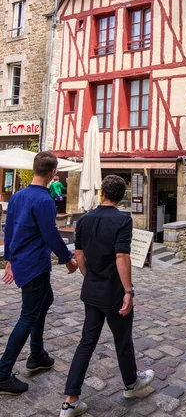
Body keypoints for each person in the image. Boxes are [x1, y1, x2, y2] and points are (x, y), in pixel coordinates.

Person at [60, 175, 154, 417]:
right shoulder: (123, 220)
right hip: (113, 291)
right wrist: (128, 290)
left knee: (86, 342)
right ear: (121, 195)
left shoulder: (84, 219)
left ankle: (70, 400)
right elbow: (121, 256)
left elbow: (79, 254)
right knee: (122, 339)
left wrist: (90, 277)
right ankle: (131, 384)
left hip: (92, 290)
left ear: (102, 193)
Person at [0, 151, 77, 395]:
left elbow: (9, 229)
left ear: (35, 169)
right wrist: (68, 259)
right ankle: (3, 373)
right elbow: (50, 234)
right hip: (34, 264)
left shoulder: (17, 196)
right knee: (28, 315)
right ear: (53, 172)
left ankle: (37, 354)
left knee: (46, 300)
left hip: (24, 261)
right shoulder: (44, 201)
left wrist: (9, 258)